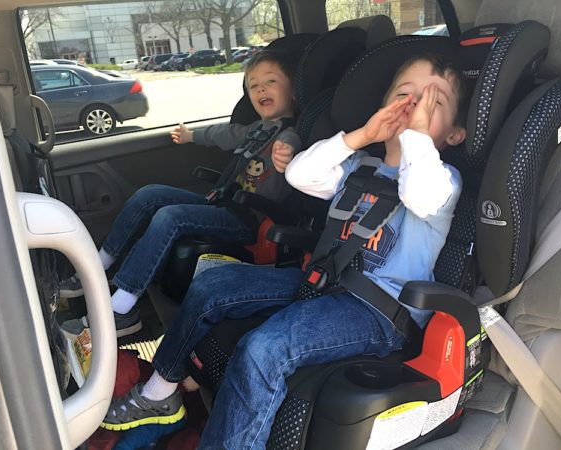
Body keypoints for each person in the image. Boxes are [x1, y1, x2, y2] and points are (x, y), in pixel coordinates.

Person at [100, 53, 468, 449]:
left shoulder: (444, 181)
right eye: (405, 95)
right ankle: (161, 391)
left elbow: (418, 191)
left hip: (379, 312)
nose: (416, 106)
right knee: (213, 284)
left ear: (454, 134)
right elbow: (299, 174)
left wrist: (413, 135)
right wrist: (360, 136)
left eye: (434, 102)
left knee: (265, 348)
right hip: (326, 282)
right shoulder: (359, 166)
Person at [60, 49, 301, 337]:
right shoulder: (256, 129)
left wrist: (288, 155)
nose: (260, 88)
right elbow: (221, 134)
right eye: (253, 85)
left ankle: (121, 311)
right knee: (149, 194)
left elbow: (294, 151)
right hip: (225, 205)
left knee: (170, 216)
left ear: (294, 91)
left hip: (251, 221)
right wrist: (190, 136)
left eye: (271, 81)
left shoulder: (290, 135)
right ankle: (97, 269)